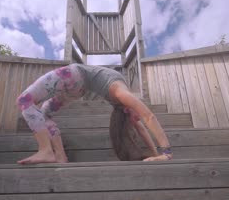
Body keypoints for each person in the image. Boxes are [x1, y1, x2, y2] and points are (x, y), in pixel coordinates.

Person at [15, 63, 173, 164]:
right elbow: (143, 125)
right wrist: (160, 154)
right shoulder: (122, 100)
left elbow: (148, 118)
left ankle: (46, 150)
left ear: (126, 111)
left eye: (135, 117)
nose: (138, 116)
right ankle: (60, 157)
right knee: (44, 115)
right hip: (78, 88)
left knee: (24, 101)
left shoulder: (121, 96)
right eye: (137, 116)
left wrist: (162, 154)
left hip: (72, 76)